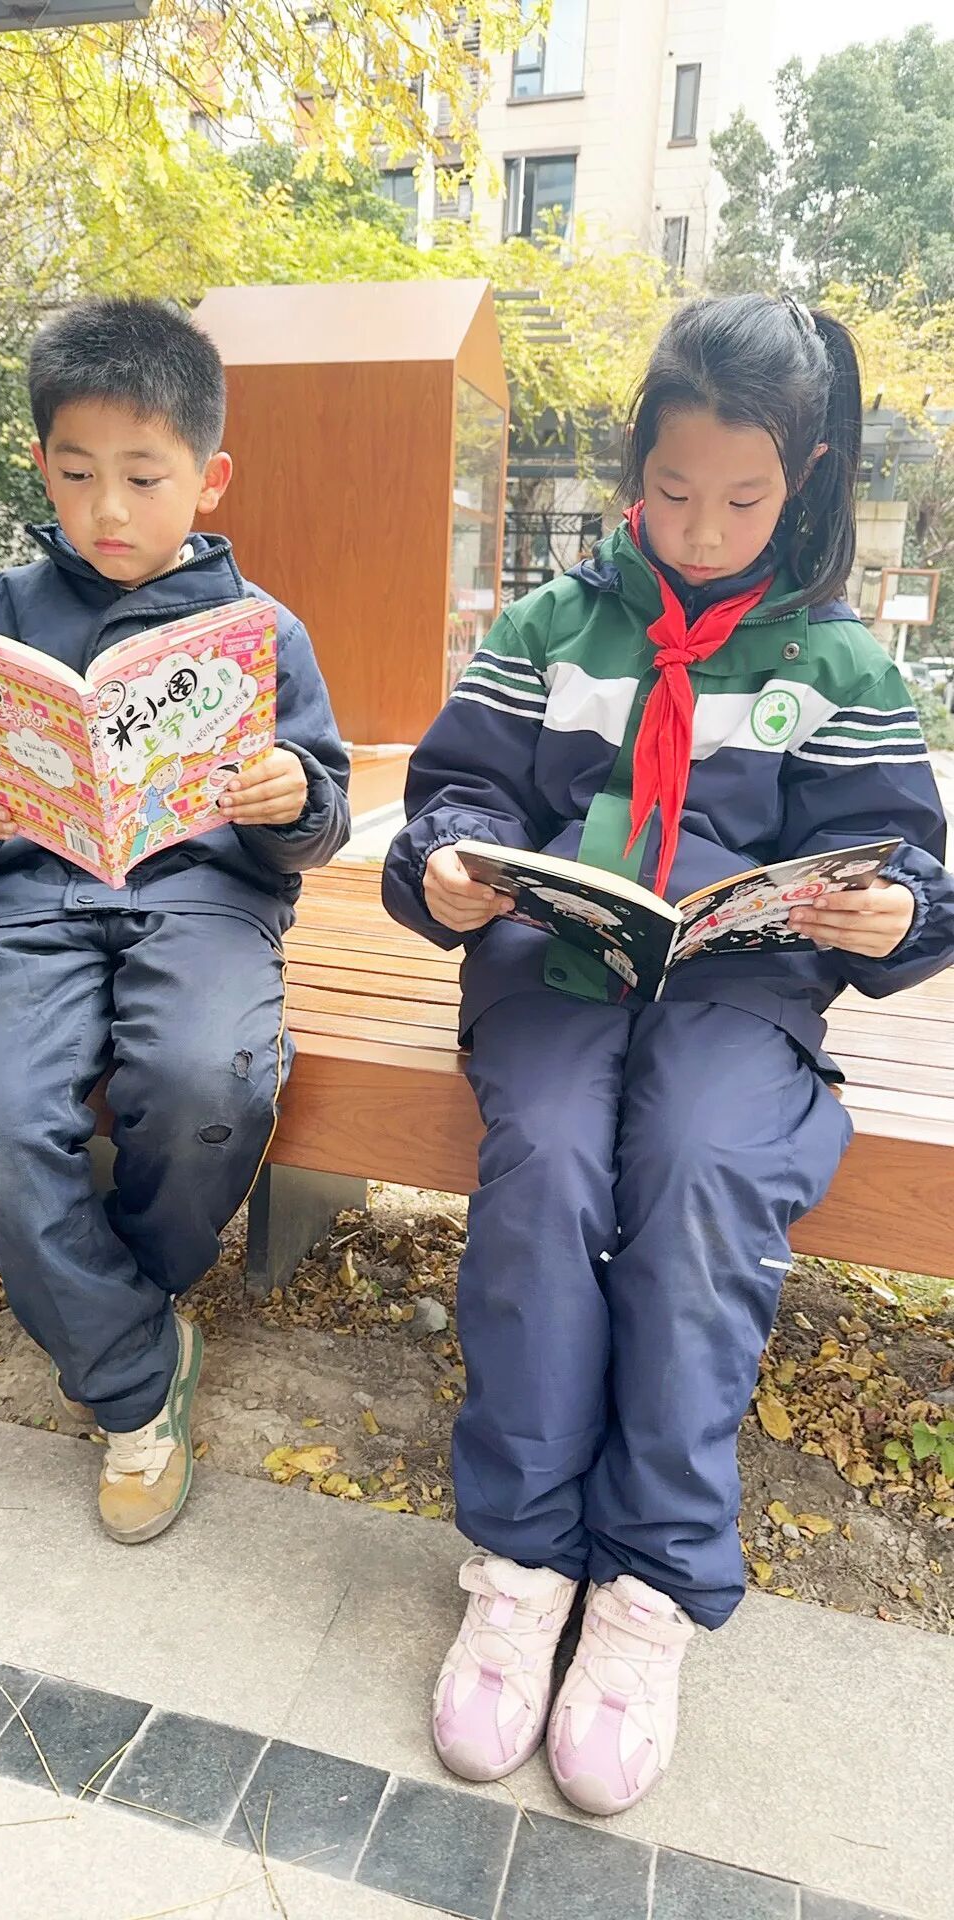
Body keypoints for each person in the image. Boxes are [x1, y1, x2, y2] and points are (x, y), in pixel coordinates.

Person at [382, 293, 954, 1816]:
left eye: (744, 500)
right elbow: (455, 797)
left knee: (703, 1170)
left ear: (807, 478)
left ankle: (649, 1586)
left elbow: (902, 865)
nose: (701, 530)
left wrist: (894, 910)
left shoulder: (840, 664)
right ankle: (521, 1562)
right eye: (673, 489)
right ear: (635, 460)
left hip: (741, 993)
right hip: (554, 972)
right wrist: (449, 866)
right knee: (551, 1161)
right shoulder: (549, 629)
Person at [0, 296, 350, 1545]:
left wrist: (291, 797)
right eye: (78, 472)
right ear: (41, 464)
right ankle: (139, 1375)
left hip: (203, 901)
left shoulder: (259, 633)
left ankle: (109, 1308)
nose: (108, 510)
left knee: (208, 1081)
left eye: (144, 478)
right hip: (29, 900)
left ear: (208, 479)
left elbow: (321, 812)